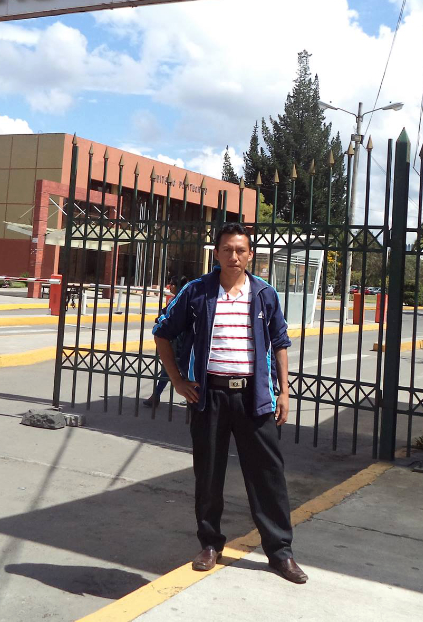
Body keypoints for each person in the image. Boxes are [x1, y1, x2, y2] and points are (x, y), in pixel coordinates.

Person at [152, 222, 307, 585]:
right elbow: (162, 331)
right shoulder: (197, 292)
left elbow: (280, 343)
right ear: (217, 253)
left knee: (268, 476)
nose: (233, 256)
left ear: (250, 254)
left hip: (254, 397)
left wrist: (284, 391)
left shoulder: (265, 294)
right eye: (227, 249)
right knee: (208, 473)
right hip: (209, 397)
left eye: (240, 250)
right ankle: (209, 544)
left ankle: (280, 552)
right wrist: (176, 379)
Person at [143, 276, 190, 408]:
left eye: (171, 284)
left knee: (181, 369)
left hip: (180, 341)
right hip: (176, 341)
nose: (170, 287)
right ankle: (156, 395)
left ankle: (191, 395)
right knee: (170, 368)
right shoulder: (178, 299)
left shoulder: (181, 300)